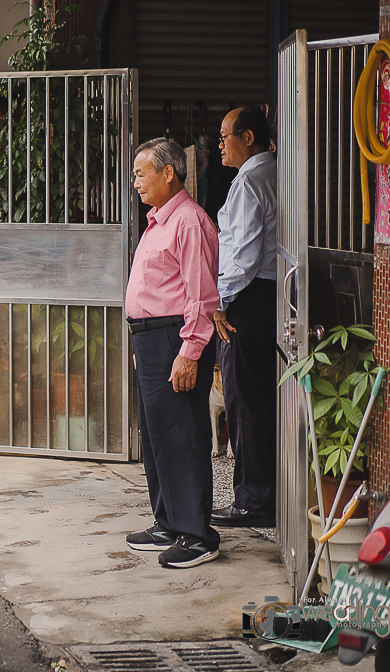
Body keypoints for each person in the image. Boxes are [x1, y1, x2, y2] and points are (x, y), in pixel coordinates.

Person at [124, 137, 221, 569]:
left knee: (183, 434)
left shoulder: (188, 221)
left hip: (174, 338)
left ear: (169, 173)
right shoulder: (159, 221)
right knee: (158, 435)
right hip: (151, 340)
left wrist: (190, 350)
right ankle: (168, 521)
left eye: (141, 173)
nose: (136, 181)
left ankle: (197, 533)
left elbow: (201, 296)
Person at [210, 106, 278, 528]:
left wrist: (220, 299)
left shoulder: (251, 181)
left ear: (247, 137)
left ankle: (253, 500)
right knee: (258, 397)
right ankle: (261, 493)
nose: (220, 145)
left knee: (243, 399)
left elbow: (244, 254)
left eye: (224, 137)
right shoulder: (272, 173)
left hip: (248, 297)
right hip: (267, 294)